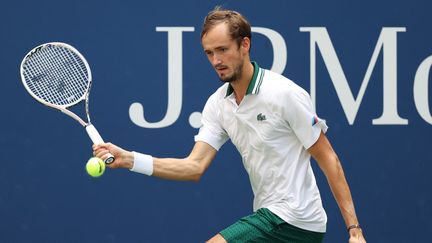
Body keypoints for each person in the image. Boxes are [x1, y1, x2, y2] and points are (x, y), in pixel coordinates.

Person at [93, 7, 366, 243]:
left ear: (244, 45)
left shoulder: (285, 94)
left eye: (222, 50)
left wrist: (354, 231)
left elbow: (328, 158)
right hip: (271, 215)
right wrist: (130, 159)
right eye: (209, 53)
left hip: (295, 217)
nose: (216, 61)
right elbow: (194, 167)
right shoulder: (217, 104)